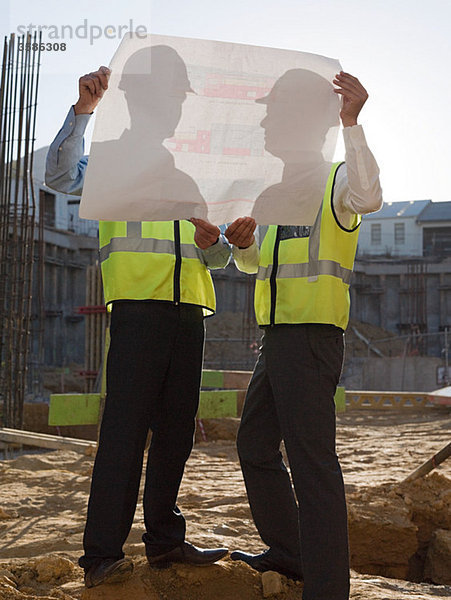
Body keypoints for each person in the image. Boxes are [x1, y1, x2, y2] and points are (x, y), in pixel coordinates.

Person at [45, 64, 232, 588]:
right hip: (137, 310)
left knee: (175, 434)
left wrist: (213, 242)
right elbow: (58, 177)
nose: (173, 108)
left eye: (178, 100)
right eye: (164, 98)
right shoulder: (113, 156)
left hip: (189, 311)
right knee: (124, 435)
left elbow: (216, 258)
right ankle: (102, 554)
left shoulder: (193, 170)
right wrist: (83, 113)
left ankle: (166, 543)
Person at [225, 72, 383, 600]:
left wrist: (351, 123)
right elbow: (253, 264)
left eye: (275, 112)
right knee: (255, 445)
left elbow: (369, 196)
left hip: (312, 338)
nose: (266, 121)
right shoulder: (270, 190)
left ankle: (327, 588)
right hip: (276, 337)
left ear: (301, 122)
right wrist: (240, 243)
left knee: (312, 462)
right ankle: (291, 554)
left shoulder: (336, 179)